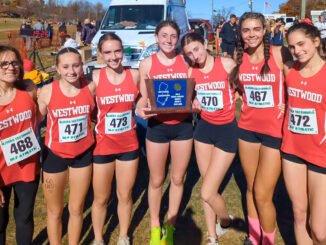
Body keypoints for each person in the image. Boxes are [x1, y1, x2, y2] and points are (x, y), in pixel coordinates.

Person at [229, 12, 292, 245]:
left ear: (264, 30)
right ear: (241, 32)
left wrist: (289, 102)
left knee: (263, 194)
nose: (251, 34)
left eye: (256, 29)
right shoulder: (238, 56)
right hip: (247, 130)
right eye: (246, 30)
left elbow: (295, 80)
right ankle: (254, 238)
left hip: (274, 132)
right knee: (250, 188)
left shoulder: (279, 53)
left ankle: (268, 241)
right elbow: (237, 86)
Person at [136, 20, 193, 245]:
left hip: (183, 127)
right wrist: (140, 109)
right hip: (157, 128)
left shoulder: (186, 61)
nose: (168, 40)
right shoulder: (147, 64)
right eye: (164, 36)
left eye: (172, 36)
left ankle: (170, 226)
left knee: (178, 179)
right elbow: (143, 97)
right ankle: (154, 226)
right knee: (157, 179)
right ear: (157, 38)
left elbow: (193, 92)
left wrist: (195, 101)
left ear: (177, 38)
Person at [181, 32, 237, 245]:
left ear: (205, 44)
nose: (195, 56)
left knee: (207, 191)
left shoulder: (226, 64)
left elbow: (246, 88)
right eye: (189, 53)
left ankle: (225, 222)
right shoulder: (191, 71)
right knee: (208, 187)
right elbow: (189, 98)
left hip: (226, 131)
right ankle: (212, 237)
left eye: (196, 49)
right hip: (203, 131)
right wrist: (193, 103)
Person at [38, 47, 95, 245]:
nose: (71, 71)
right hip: (55, 155)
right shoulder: (46, 91)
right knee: (55, 211)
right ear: (57, 68)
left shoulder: (90, 87)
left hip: (82, 154)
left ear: (82, 66)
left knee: (77, 208)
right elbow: (32, 122)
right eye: (66, 66)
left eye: (76, 66)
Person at [90, 33, 139, 245]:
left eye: (117, 51)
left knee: (125, 195)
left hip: (129, 145)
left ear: (123, 51)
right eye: (108, 52)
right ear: (100, 54)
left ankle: (123, 236)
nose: (113, 56)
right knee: (101, 198)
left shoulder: (135, 75)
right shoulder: (95, 77)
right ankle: (99, 239)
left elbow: (147, 100)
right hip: (103, 146)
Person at [282, 22, 326, 245]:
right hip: (292, 151)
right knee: (299, 216)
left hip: (321, 155)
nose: (297, 50)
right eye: (292, 47)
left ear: (316, 42)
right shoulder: (289, 69)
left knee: (320, 231)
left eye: (301, 44)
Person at [0, 45, 40, 244]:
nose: (10, 67)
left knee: (24, 217)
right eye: (4, 63)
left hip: (27, 168)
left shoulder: (29, 90)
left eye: (14, 62)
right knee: (0, 222)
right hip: (1, 171)